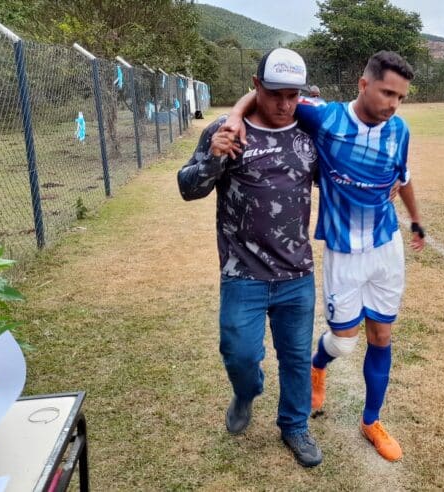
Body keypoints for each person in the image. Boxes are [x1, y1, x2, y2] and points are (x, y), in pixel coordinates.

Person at [227, 50, 426, 462]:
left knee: (383, 336)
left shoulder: (399, 130)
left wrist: (416, 220)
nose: (393, 103)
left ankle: (371, 420)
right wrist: (233, 116)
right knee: (344, 343)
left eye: (401, 97)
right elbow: (265, 95)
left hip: (386, 247)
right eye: (387, 92)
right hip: (343, 252)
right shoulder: (326, 118)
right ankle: (319, 367)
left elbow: (402, 178)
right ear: (363, 83)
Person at [176, 48, 323, 468]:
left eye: (293, 94)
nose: (284, 104)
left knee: (295, 358)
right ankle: (246, 392)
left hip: (297, 273)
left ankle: (294, 426)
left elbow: (342, 167)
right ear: (256, 86)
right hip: (243, 274)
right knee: (239, 354)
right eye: (275, 93)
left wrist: (381, 186)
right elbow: (188, 188)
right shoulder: (228, 131)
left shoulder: (309, 132)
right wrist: (215, 157)